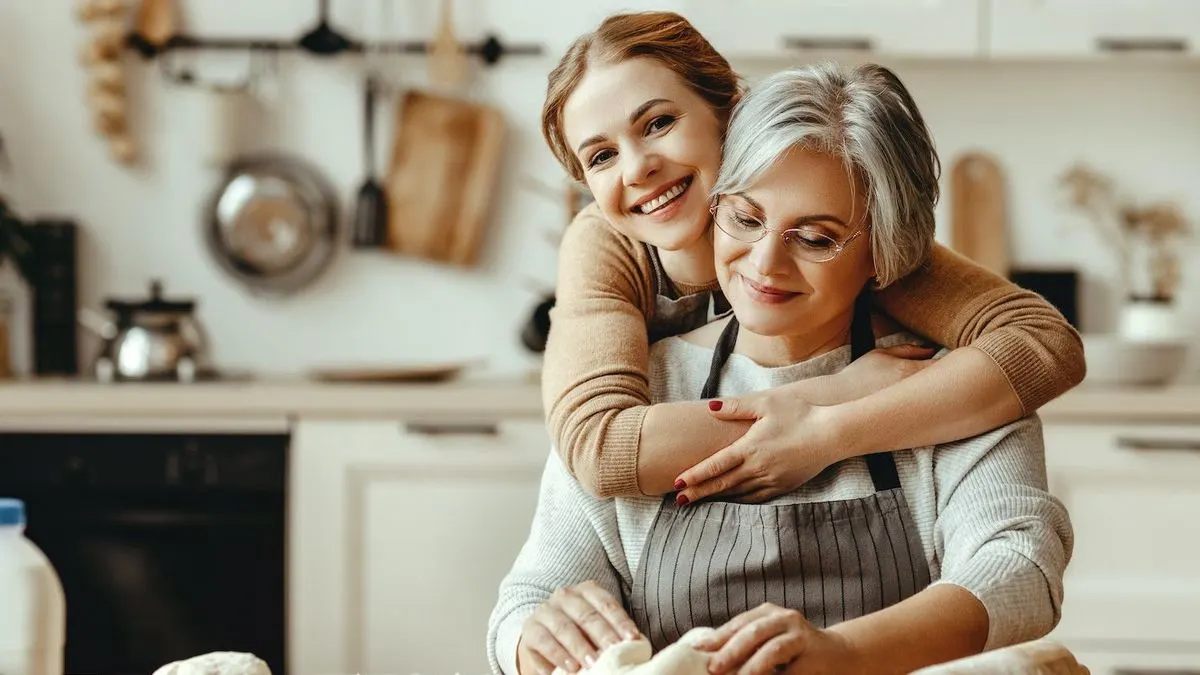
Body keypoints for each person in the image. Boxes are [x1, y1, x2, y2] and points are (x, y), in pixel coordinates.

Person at [488, 62, 1073, 675]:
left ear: (884, 250)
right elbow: (526, 601)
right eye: (744, 218)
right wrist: (535, 637)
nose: (765, 263)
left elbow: (1019, 571)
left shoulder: (948, 384)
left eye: (816, 238)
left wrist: (843, 654)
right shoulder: (644, 388)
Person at [538, 11, 1086, 504]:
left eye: (658, 123)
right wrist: (835, 393)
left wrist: (833, 433)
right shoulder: (605, 246)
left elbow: (1042, 343)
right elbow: (601, 447)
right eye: (602, 156)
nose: (637, 169)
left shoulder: (825, 237)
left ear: (731, 112)